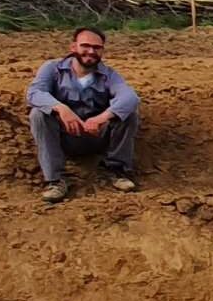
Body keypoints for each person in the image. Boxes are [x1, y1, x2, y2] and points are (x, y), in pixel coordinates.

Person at [27, 27, 141, 203]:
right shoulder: (52, 69)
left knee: (128, 113)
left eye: (97, 47)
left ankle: (116, 170)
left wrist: (101, 118)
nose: (91, 51)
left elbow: (129, 97)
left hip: (97, 136)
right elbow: (34, 93)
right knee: (38, 114)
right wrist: (60, 108)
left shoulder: (109, 75)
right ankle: (55, 180)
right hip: (64, 136)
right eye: (85, 46)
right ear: (74, 47)